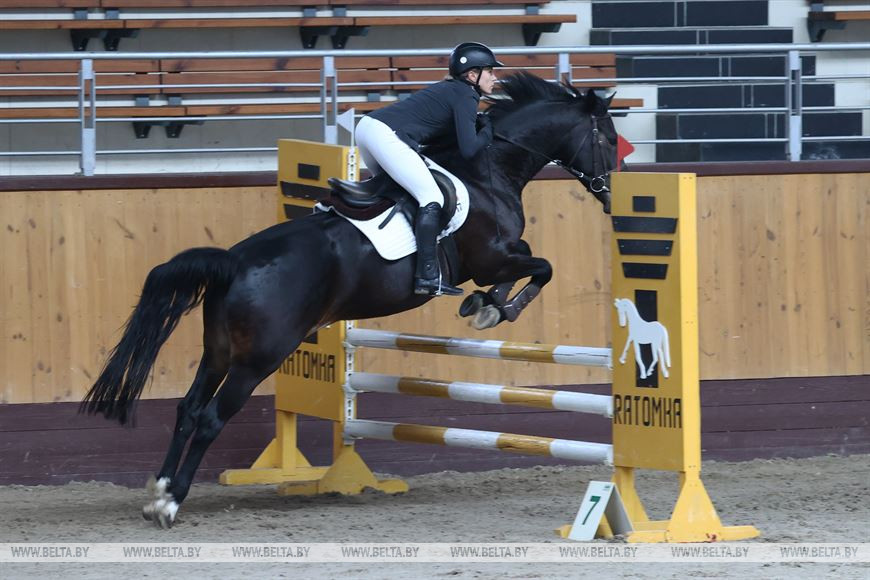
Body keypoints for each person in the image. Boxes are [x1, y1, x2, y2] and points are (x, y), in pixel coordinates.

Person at [355, 42, 503, 296]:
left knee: (400, 193)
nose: (495, 77)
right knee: (431, 197)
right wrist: (489, 128)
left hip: (368, 128)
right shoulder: (467, 95)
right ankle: (427, 275)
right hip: (385, 135)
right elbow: (469, 150)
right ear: (472, 75)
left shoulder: (454, 90)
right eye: (489, 71)